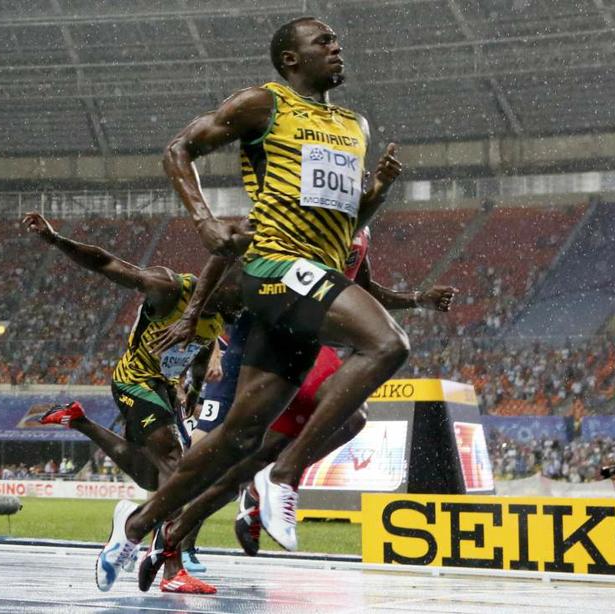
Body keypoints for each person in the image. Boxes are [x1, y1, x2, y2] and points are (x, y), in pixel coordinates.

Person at [96, 16, 408, 591]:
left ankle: (134, 525)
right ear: (291, 59)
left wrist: (376, 196)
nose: (337, 46)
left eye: (338, 39)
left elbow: (345, 227)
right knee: (387, 343)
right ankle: (284, 475)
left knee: (238, 439)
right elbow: (179, 148)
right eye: (324, 41)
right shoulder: (263, 104)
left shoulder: (354, 125)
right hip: (273, 266)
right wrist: (204, 219)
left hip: (311, 274)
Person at [136, 227, 458, 589]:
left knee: (258, 457)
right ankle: (147, 532)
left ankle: (173, 536)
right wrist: (193, 315)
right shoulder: (296, 213)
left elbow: (364, 289)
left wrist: (417, 298)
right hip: (262, 333)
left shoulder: (357, 227)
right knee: (216, 451)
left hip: (302, 339)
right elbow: (227, 250)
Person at [22, 211, 240, 594]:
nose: (239, 307)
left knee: (151, 476)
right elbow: (106, 262)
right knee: (176, 464)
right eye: (237, 293)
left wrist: (195, 388)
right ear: (215, 284)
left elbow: (202, 350)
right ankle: (171, 567)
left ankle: (80, 422)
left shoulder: (222, 312)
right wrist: (57, 240)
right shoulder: (169, 287)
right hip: (135, 380)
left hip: (166, 388)